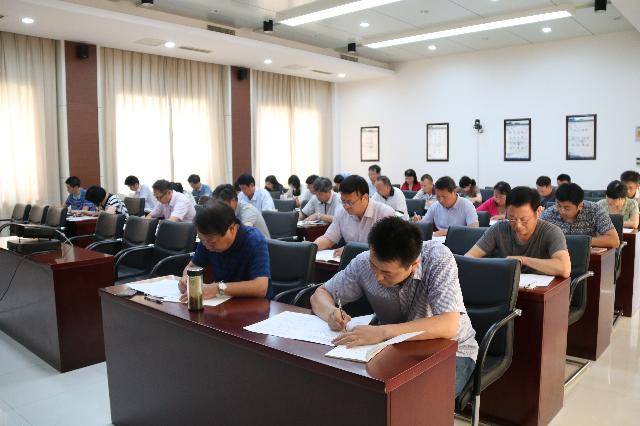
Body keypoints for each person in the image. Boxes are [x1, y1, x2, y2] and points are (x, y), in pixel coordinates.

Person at [310, 217, 478, 397]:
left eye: (386, 273)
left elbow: (449, 324)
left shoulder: (438, 259)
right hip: (393, 347)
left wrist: (382, 332)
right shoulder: (363, 262)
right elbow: (320, 294)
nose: (377, 277)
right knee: (350, 390)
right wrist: (331, 313)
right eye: (374, 265)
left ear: (414, 265)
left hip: (451, 350)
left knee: (421, 402)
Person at [466, 187, 571, 278]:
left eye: (524, 219)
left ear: (538, 212)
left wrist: (522, 260)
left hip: (542, 291)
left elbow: (564, 269)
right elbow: (468, 257)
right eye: (512, 218)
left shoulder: (551, 232)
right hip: (505, 287)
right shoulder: (499, 229)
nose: (518, 225)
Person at [178, 202, 272, 301]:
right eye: (202, 240)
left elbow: (261, 287)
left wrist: (218, 288)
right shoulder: (207, 240)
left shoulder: (254, 240)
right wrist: (186, 278)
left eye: (212, 242)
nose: (207, 246)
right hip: (223, 301)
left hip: (254, 304)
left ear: (231, 229)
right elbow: (192, 266)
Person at [313, 175, 395, 256]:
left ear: (365, 198)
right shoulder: (341, 213)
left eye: (349, 202)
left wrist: (351, 251)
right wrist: (311, 248)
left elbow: (385, 248)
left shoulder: (385, 214)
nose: (346, 206)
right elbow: (328, 238)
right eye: (343, 201)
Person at [540, 183, 619, 248]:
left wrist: (580, 242)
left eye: (566, 208)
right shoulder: (549, 213)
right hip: (557, 257)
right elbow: (537, 238)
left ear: (580, 205)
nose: (561, 211)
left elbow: (614, 241)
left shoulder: (595, 210)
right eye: (558, 205)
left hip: (587, 257)